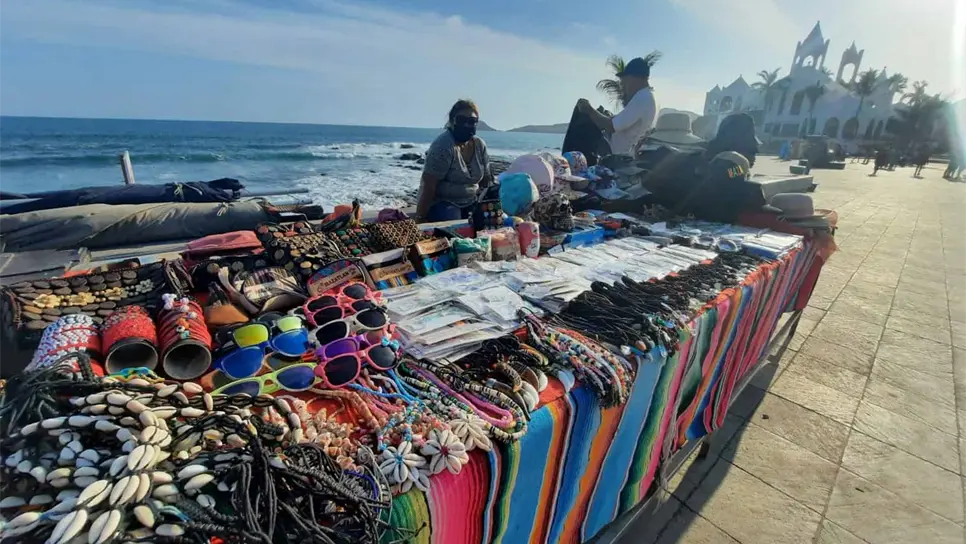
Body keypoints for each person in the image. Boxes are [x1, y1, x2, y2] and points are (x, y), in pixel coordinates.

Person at [415, 99, 493, 222]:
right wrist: (419, 219)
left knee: (494, 221)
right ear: (452, 121)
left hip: (471, 201)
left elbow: (486, 180)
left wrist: (489, 205)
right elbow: (428, 186)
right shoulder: (443, 146)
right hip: (443, 203)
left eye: (472, 121)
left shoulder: (479, 145)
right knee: (455, 225)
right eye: (462, 120)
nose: (467, 125)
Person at [576, 57, 659, 155]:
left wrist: (589, 110)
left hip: (620, 159)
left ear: (634, 78)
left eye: (625, 80)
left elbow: (611, 126)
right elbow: (623, 123)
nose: (622, 84)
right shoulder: (650, 96)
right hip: (626, 155)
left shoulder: (642, 98)